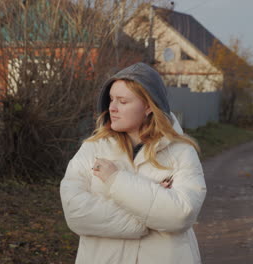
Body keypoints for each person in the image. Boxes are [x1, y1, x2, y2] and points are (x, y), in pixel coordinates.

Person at [60, 62, 207, 264]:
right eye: (111, 99)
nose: (112, 107)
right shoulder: (92, 149)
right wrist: (147, 217)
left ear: (148, 106)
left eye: (122, 101)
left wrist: (115, 180)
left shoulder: (181, 152)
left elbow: (181, 215)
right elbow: (75, 212)